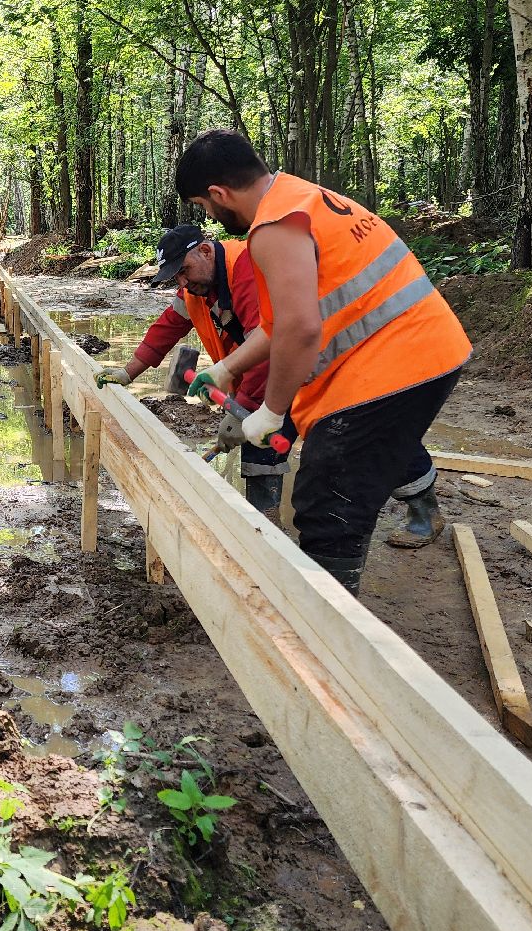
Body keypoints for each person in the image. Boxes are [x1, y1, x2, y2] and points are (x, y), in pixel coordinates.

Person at [172, 129, 472, 595]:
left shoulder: (272, 228)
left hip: (395, 365)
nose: (209, 215)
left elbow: (300, 330)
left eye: (203, 206)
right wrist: (226, 369)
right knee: (337, 480)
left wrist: (270, 412)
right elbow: (277, 326)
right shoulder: (300, 198)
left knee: (329, 503)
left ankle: (324, 639)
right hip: (426, 351)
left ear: (218, 193)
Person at [94, 222, 292, 515]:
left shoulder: (247, 269)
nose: (183, 283)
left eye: (184, 270)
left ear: (205, 251)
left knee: (296, 459)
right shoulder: (196, 289)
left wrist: (244, 409)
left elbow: (266, 349)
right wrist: (128, 372)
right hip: (272, 376)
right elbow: (167, 327)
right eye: (177, 277)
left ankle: (271, 538)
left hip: (302, 373)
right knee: (261, 450)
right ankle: (267, 526)